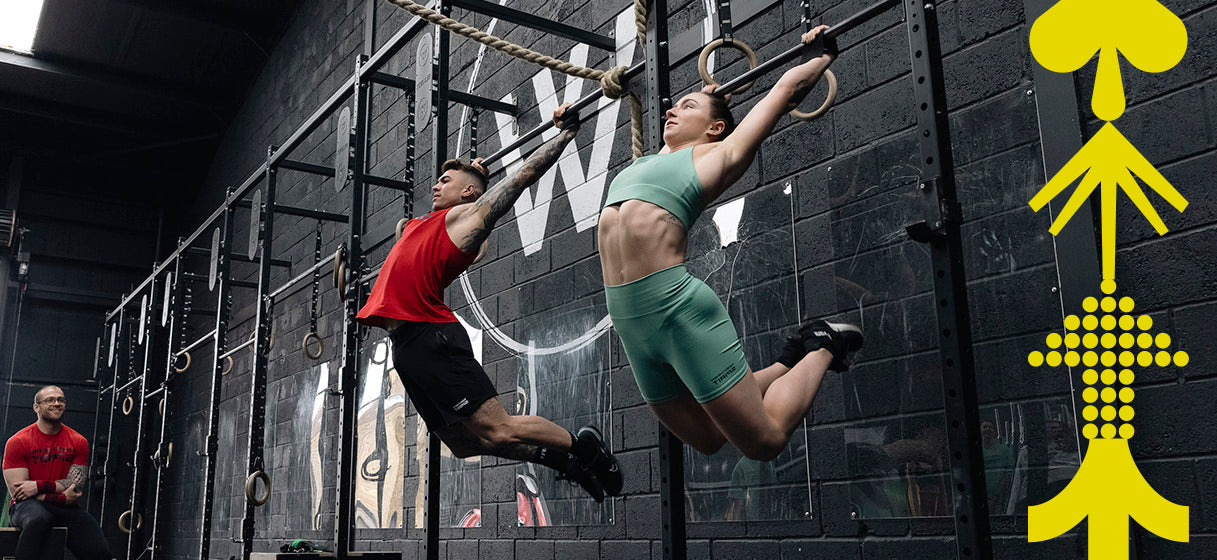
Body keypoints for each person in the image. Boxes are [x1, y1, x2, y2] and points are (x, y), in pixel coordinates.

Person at [598, 26, 862, 462]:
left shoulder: (722, 155)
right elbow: (690, 121)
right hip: (630, 322)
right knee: (707, 437)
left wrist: (820, 56)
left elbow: (785, 90)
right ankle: (786, 360)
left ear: (716, 127)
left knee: (765, 441)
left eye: (688, 106)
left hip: (675, 309)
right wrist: (705, 97)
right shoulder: (645, 162)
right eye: (673, 105)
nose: (670, 111)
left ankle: (822, 345)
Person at [357, 104, 622, 502]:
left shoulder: (464, 221)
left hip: (431, 337)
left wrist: (564, 135)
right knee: (463, 443)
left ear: (467, 194)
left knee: (498, 428)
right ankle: (566, 463)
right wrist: (475, 173)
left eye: (445, 180)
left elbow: (519, 180)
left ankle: (586, 449)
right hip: (406, 348)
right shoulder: (424, 224)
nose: (434, 185)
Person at [2, 385, 113, 560]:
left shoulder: (78, 441)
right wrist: (60, 496)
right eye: (50, 400)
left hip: (65, 508)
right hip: (27, 508)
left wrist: (37, 486)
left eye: (61, 400)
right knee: (39, 519)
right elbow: (20, 493)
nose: (57, 403)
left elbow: (74, 484)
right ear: (36, 407)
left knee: (100, 552)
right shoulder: (18, 441)